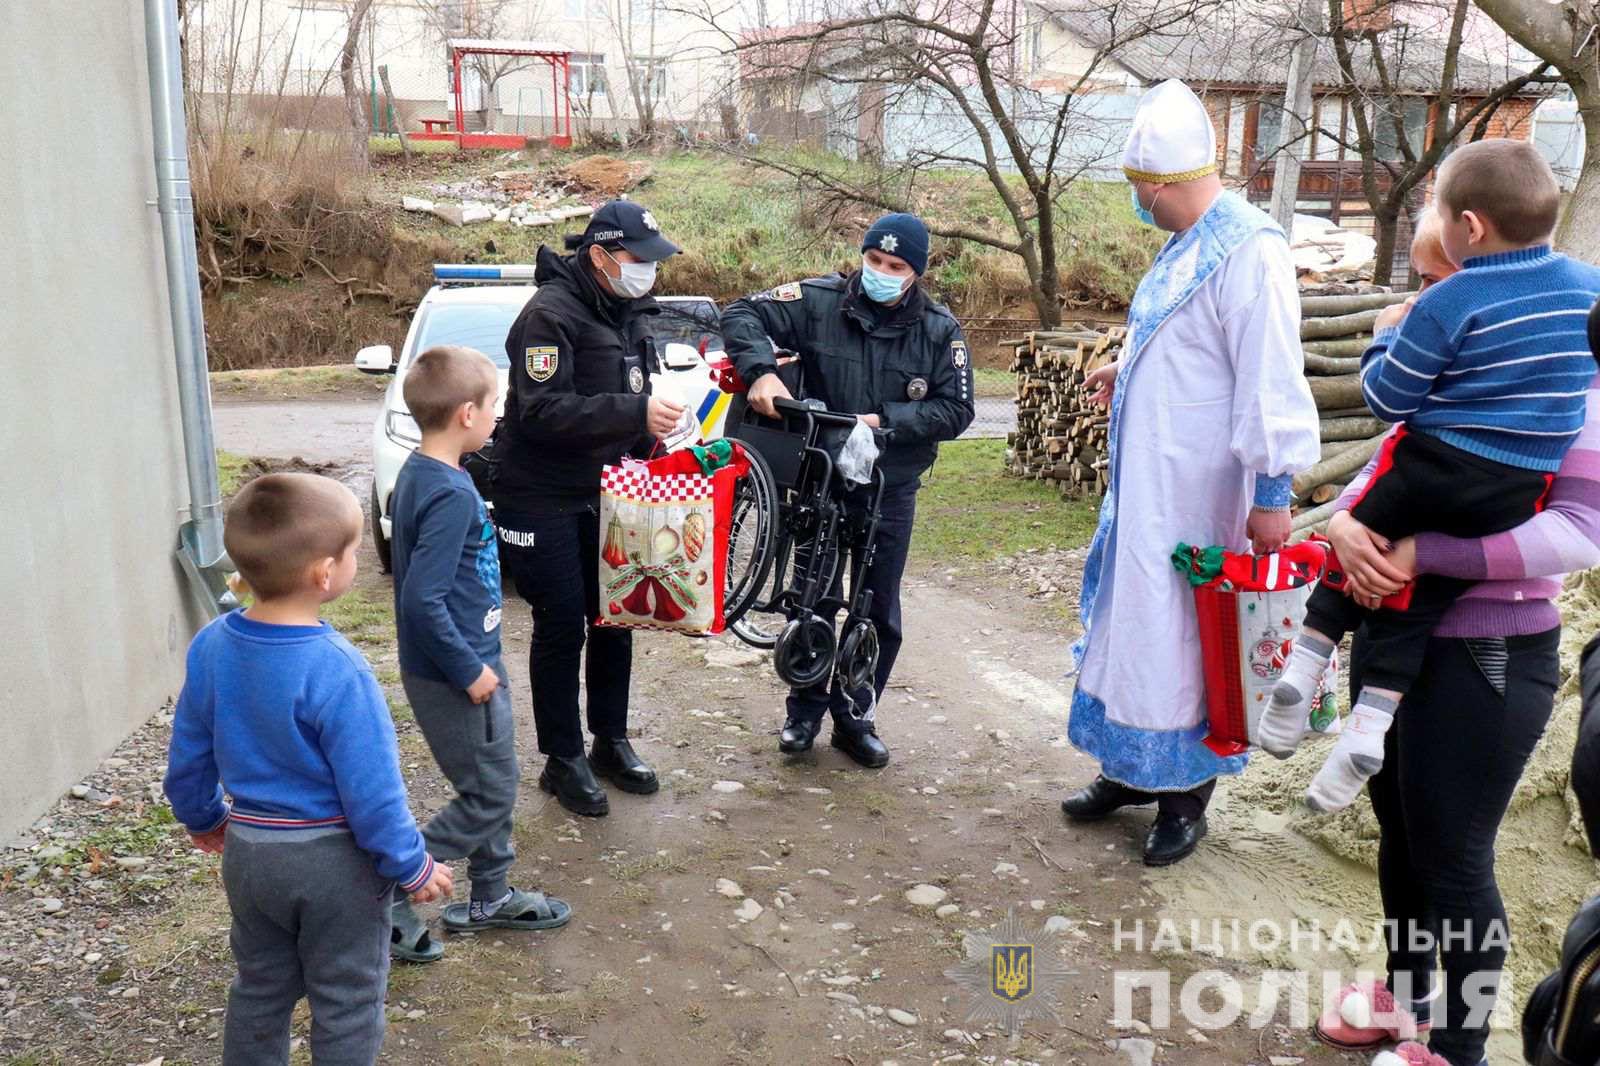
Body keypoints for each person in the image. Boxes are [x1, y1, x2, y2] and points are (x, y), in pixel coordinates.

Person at [1258, 140, 1600, 814]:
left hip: (1468, 561)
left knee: (1447, 863)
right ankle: (1366, 727)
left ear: (1468, 227)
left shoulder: (1456, 302)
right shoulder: (1587, 296)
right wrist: (1349, 522)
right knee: (1410, 591)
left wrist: (1386, 335)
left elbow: (1388, 400)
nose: (1424, 292)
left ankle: (1306, 661)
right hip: (1511, 489)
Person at [1310, 300, 1600, 1066]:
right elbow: (1392, 470)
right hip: (1390, 635)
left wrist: (1428, 554)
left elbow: (1581, 531)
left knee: (1454, 855)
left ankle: (1458, 1049)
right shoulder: (1469, 373)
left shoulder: (1580, 393)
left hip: (1487, 652)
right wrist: (1342, 522)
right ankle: (1408, 1003)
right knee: (1400, 836)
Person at [1058, 78, 1320, 866]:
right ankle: (1131, 769)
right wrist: (1123, 374)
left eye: (1144, 193)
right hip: (1148, 489)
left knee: (1192, 637)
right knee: (1137, 630)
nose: (1141, 207)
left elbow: (1269, 376)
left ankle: (1185, 798)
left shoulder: (1251, 252)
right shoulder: (1184, 241)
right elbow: (1180, 346)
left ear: (1171, 184)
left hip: (1206, 495)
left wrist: (1273, 494)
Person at [163, 473, 453, 1066]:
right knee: (346, 997)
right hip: (334, 867)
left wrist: (203, 817)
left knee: (260, 988)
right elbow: (373, 796)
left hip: (251, 854)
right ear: (325, 573)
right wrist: (411, 865)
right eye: (351, 552)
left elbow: (189, 753)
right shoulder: (338, 670)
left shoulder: (212, 646)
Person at [721, 212, 975, 768]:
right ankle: (803, 711)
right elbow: (740, 312)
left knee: (878, 604)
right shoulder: (818, 301)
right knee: (812, 595)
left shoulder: (938, 330)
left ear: (915, 271)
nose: (882, 272)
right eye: (875, 261)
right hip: (821, 480)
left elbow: (957, 409)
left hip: (890, 484)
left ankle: (856, 713)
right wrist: (761, 370)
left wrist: (883, 420)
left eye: (896, 266)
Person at [491, 200, 684, 817]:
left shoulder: (626, 311)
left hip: (606, 490)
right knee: (562, 620)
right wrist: (632, 414)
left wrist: (650, 440)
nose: (649, 271)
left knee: (616, 614)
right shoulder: (548, 315)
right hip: (539, 493)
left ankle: (610, 740)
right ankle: (562, 757)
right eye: (638, 259)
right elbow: (543, 411)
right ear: (599, 256)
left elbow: (628, 390)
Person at [387, 346, 571, 964]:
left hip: (470, 661)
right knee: (489, 794)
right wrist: (469, 671)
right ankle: (387, 888)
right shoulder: (449, 494)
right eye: (494, 404)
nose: (498, 415)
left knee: (494, 778)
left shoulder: (425, 473)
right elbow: (422, 599)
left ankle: (490, 896)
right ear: (468, 414)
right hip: (456, 672)